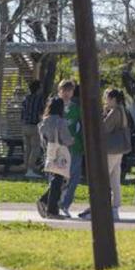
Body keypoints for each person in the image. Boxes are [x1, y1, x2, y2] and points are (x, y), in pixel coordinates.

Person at [98, 89, 132, 221]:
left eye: (106, 98)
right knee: (115, 179)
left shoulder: (114, 111)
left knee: (104, 177)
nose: (105, 101)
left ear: (112, 99)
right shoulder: (122, 110)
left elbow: (104, 128)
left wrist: (104, 113)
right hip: (119, 149)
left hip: (111, 149)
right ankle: (115, 207)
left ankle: (103, 205)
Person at [36, 97, 72, 218]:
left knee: (55, 179)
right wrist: (72, 140)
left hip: (49, 153)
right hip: (60, 154)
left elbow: (43, 141)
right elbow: (66, 139)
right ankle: (51, 209)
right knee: (59, 180)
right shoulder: (60, 121)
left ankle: (46, 202)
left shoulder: (43, 122)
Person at [58, 80, 85, 218]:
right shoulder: (55, 106)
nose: (67, 93)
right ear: (59, 91)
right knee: (58, 177)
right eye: (64, 90)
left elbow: (82, 128)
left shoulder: (76, 108)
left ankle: (65, 205)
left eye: (70, 90)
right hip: (59, 148)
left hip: (75, 148)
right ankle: (54, 202)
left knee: (74, 178)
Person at [19, 80, 44, 178]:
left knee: (27, 148)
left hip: (25, 126)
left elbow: (22, 112)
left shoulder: (26, 98)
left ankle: (26, 168)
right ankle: (31, 169)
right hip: (34, 126)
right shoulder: (39, 99)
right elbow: (41, 113)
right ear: (38, 89)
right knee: (35, 148)